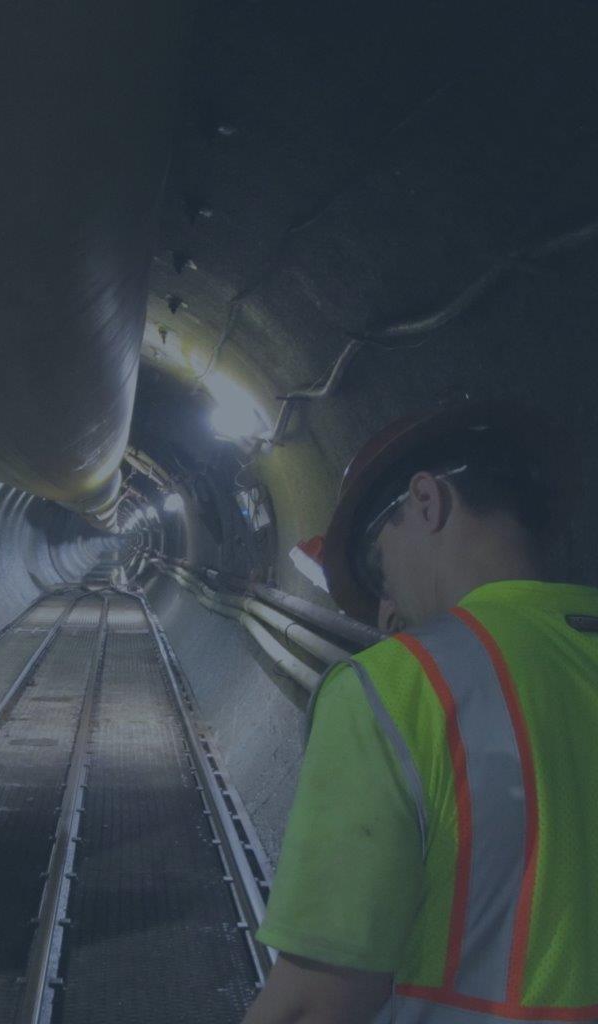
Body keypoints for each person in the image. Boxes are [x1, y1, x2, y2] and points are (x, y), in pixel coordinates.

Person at [242, 399, 598, 1023]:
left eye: (381, 569)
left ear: (427, 502)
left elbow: (311, 1007)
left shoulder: (396, 686)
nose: (387, 614)